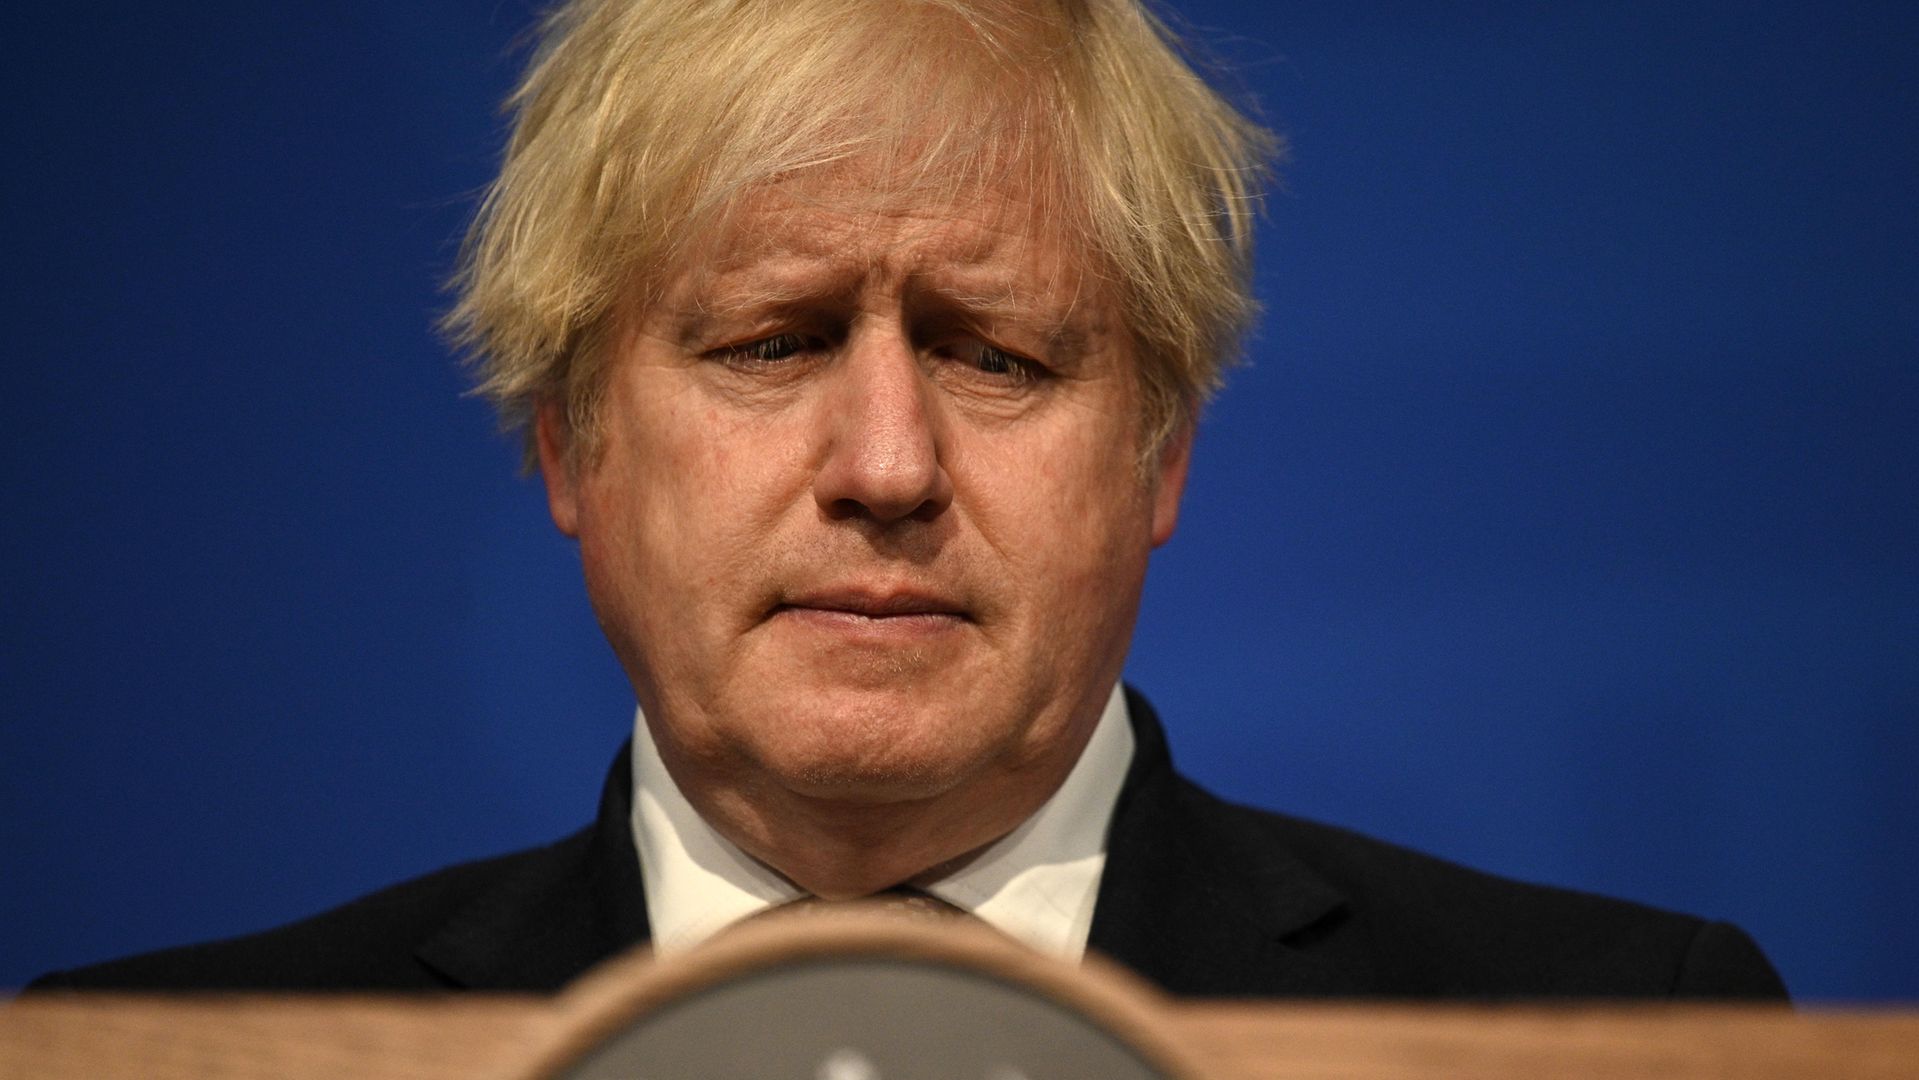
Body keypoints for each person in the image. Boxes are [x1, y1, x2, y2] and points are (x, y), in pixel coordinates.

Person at [32, 0, 1785, 998]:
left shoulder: (1622, 1031)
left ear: (1163, 454)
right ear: (570, 448)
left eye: (998, 355)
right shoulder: (174, 1054)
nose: (888, 468)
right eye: (776, 341)